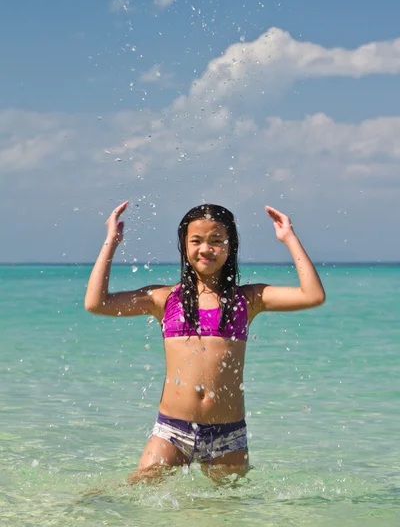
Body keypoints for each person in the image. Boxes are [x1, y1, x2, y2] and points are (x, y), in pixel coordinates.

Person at [84, 201, 325, 484]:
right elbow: (96, 303)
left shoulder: (247, 300)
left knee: (225, 519)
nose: (206, 249)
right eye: (196, 240)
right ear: (185, 246)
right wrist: (111, 242)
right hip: (172, 432)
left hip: (229, 435)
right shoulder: (164, 299)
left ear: (230, 246)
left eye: (216, 240)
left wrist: (289, 238)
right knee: (129, 492)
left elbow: (312, 295)